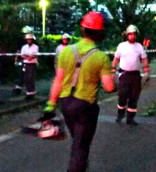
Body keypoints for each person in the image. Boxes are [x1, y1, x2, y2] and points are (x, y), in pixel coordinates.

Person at [38, 11, 115, 171]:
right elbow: (109, 87)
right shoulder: (101, 57)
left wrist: (50, 106)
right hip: (86, 107)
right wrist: (115, 78)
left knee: (78, 141)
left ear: (83, 29)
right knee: (80, 147)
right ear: (100, 32)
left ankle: (80, 166)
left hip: (66, 105)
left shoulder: (66, 51)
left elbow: (58, 80)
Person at [111, 24, 150, 125]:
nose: (132, 36)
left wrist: (146, 71)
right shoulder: (121, 46)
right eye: (130, 34)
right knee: (122, 96)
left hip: (135, 76)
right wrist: (112, 70)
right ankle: (120, 115)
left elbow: (144, 59)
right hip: (124, 75)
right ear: (127, 35)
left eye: (134, 34)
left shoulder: (139, 47)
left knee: (134, 97)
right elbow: (116, 58)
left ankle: (130, 119)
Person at [12, 26, 33, 96]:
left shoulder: (31, 42)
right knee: (21, 74)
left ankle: (20, 88)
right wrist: (16, 58)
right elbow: (18, 50)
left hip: (28, 60)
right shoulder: (21, 42)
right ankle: (18, 88)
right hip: (21, 60)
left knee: (25, 75)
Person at [21, 33, 39, 100]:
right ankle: (28, 93)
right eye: (27, 39)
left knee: (31, 78)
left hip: (32, 64)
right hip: (26, 64)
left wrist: (28, 57)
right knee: (26, 78)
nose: (29, 41)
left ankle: (32, 93)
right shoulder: (24, 47)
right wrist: (27, 57)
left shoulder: (35, 47)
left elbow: (34, 55)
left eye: (30, 39)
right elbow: (22, 55)